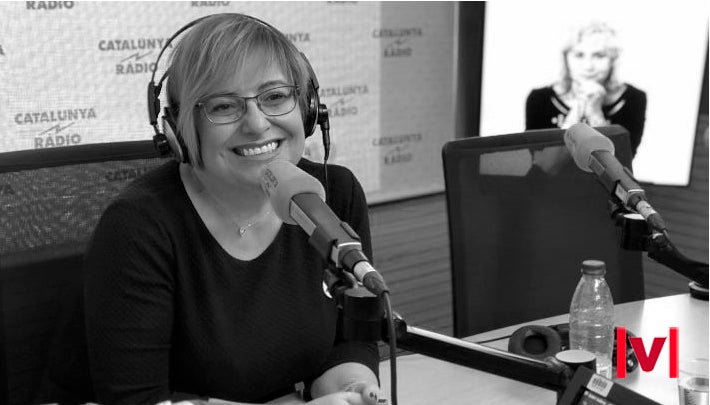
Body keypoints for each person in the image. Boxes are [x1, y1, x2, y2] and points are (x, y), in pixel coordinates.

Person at [40, 13, 382, 405]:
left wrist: (353, 389)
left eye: (275, 97)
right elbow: (137, 398)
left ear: (308, 110)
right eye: (223, 106)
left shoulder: (333, 194)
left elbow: (349, 340)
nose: (257, 124)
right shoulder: (138, 226)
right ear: (179, 131)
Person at [526, 21, 647, 157]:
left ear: (613, 60)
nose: (588, 66)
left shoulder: (634, 98)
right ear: (566, 58)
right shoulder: (540, 99)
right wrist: (577, 110)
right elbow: (542, 162)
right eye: (579, 55)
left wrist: (595, 113)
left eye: (599, 56)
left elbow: (620, 163)